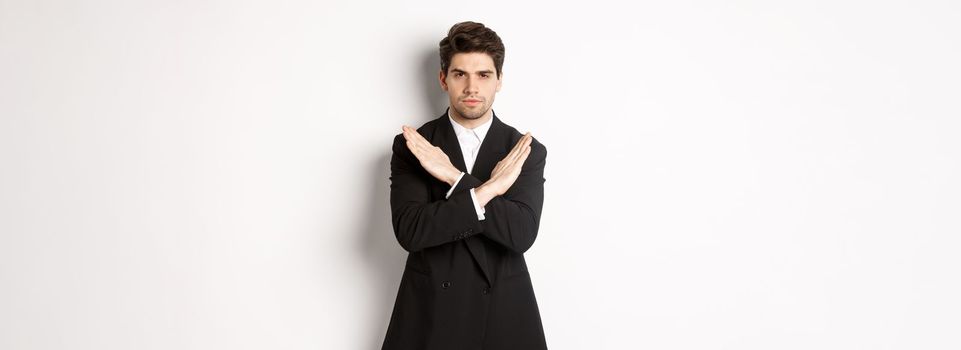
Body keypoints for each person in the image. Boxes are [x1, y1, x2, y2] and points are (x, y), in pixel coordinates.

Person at [381, 21, 549, 350]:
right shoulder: (415, 146)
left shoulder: (524, 150)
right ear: (443, 79)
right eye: (460, 74)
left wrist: (453, 178)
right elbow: (411, 232)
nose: (472, 87)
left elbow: (521, 234)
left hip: (503, 313)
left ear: (499, 80)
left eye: (484, 75)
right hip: (429, 312)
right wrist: (485, 190)